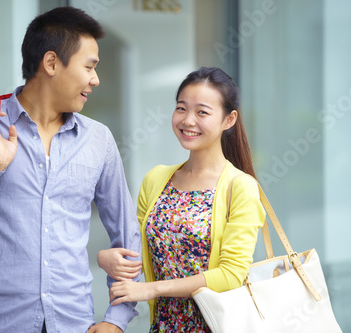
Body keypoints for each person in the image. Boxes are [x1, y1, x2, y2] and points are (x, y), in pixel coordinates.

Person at [0, 7, 142, 333]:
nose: (95, 79)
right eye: (89, 67)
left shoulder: (98, 140)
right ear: (51, 63)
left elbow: (127, 240)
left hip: (74, 323)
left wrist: (116, 321)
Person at [98, 67, 265, 332]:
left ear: (229, 120)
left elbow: (231, 275)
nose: (188, 120)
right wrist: (106, 258)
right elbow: (138, 253)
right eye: (181, 108)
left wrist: (150, 290)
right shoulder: (156, 179)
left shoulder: (241, 187)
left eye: (202, 112)